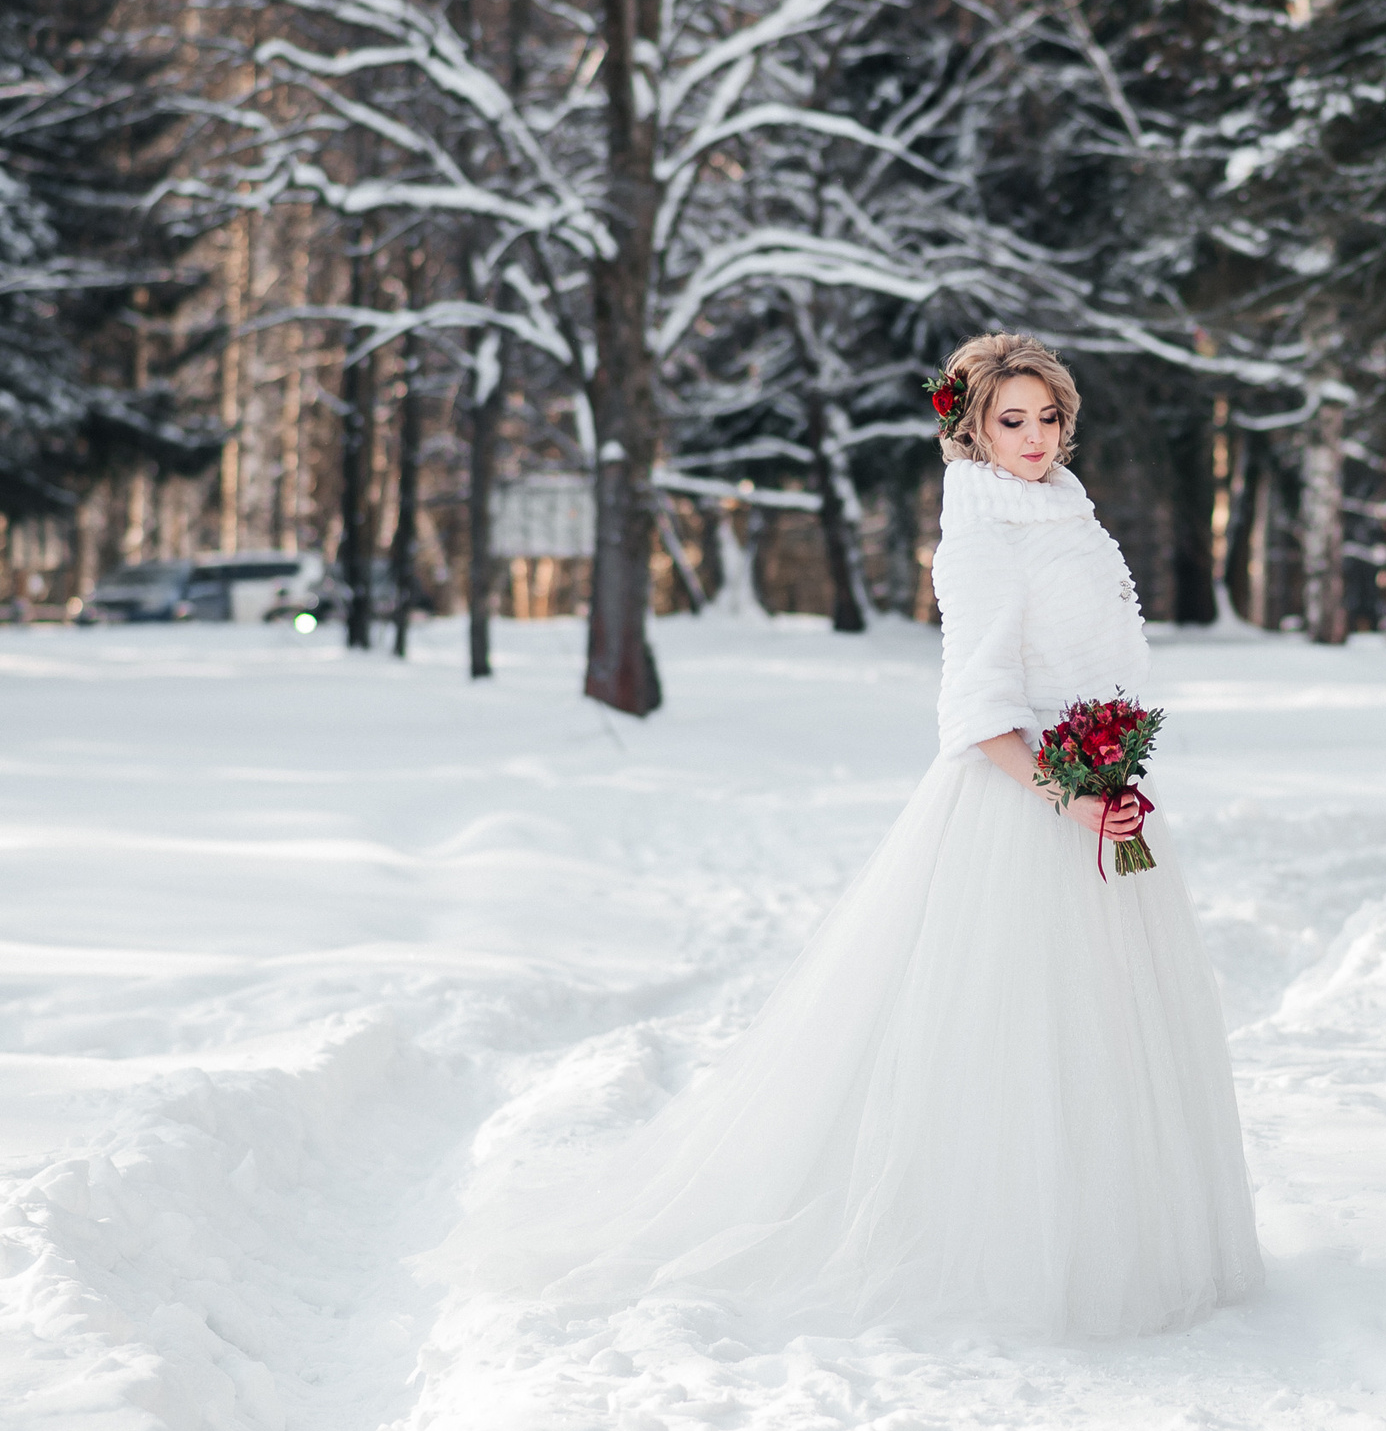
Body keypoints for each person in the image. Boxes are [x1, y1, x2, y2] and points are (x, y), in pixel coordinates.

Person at [436, 333, 1262, 1341]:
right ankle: (1004, 1249)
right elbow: (978, 708)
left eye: (1051, 417)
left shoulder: (1064, 508)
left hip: (1101, 795)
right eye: (1013, 419)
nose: (1037, 437)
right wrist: (1069, 793)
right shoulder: (983, 533)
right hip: (1022, 806)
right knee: (1014, 1038)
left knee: (1110, 1033)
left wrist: (1111, 770)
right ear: (968, 425)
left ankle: (1129, 1239)